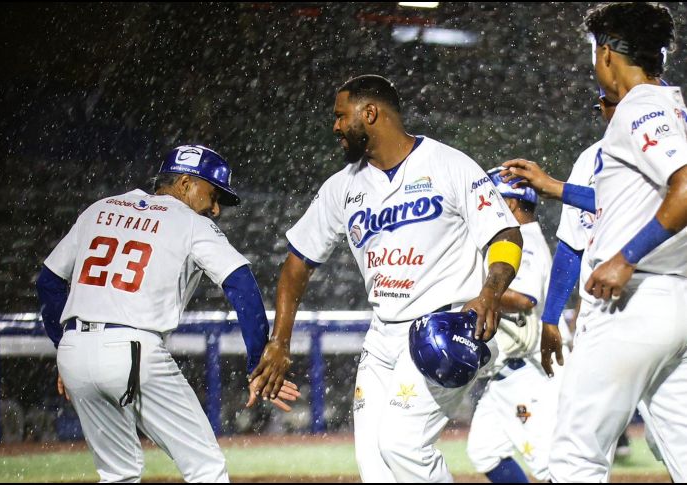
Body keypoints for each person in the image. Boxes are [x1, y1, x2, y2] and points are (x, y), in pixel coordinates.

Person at [249, 74, 523, 482]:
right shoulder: (342, 188)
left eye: (342, 116)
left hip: (443, 327)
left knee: (403, 445)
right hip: (382, 339)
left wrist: (490, 291)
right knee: (375, 466)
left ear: (370, 113)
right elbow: (296, 264)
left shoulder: (448, 164)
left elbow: (505, 233)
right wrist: (280, 341)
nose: (336, 126)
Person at [35, 145, 300, 483]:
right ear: (186, 183)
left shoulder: (100, 209)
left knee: (118, 473)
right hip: (132, 349)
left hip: (75, 352)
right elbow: (241, 284)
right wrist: (256, 363)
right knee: (205, 467)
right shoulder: (190, 222)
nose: (216, 209)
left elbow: (49, 282)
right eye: (213, 194)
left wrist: (64, 344)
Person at [544, 3, 686, 481]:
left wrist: (626, 258)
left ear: (606, 54)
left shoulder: (640, 105)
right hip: (675, 298)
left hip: (635, 301)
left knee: (574, 457)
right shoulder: (674, 106)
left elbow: (686, 187)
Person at [466, 169, 555, 483]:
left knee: (551, 466)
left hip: (526, 374)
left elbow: (524, 299)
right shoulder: (515, 238)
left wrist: (473, 292)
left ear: (514, 205)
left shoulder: (525, 240)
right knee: (485, 451)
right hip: (506, 375)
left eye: (495, 198)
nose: (487, 205)